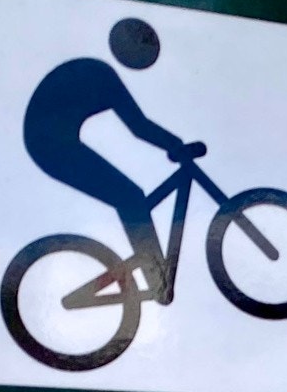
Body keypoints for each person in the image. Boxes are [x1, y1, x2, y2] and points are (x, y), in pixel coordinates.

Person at [21, 18, 202, 292]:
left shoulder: (96, 70)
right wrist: (176, 145)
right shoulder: (101, 75)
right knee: (130, 196)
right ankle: (157, 281)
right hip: (50, 144)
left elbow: (137, 125)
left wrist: (173, 146)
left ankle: (154, 277)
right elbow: (138, 125)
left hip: (47, 139)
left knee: (131, 197)